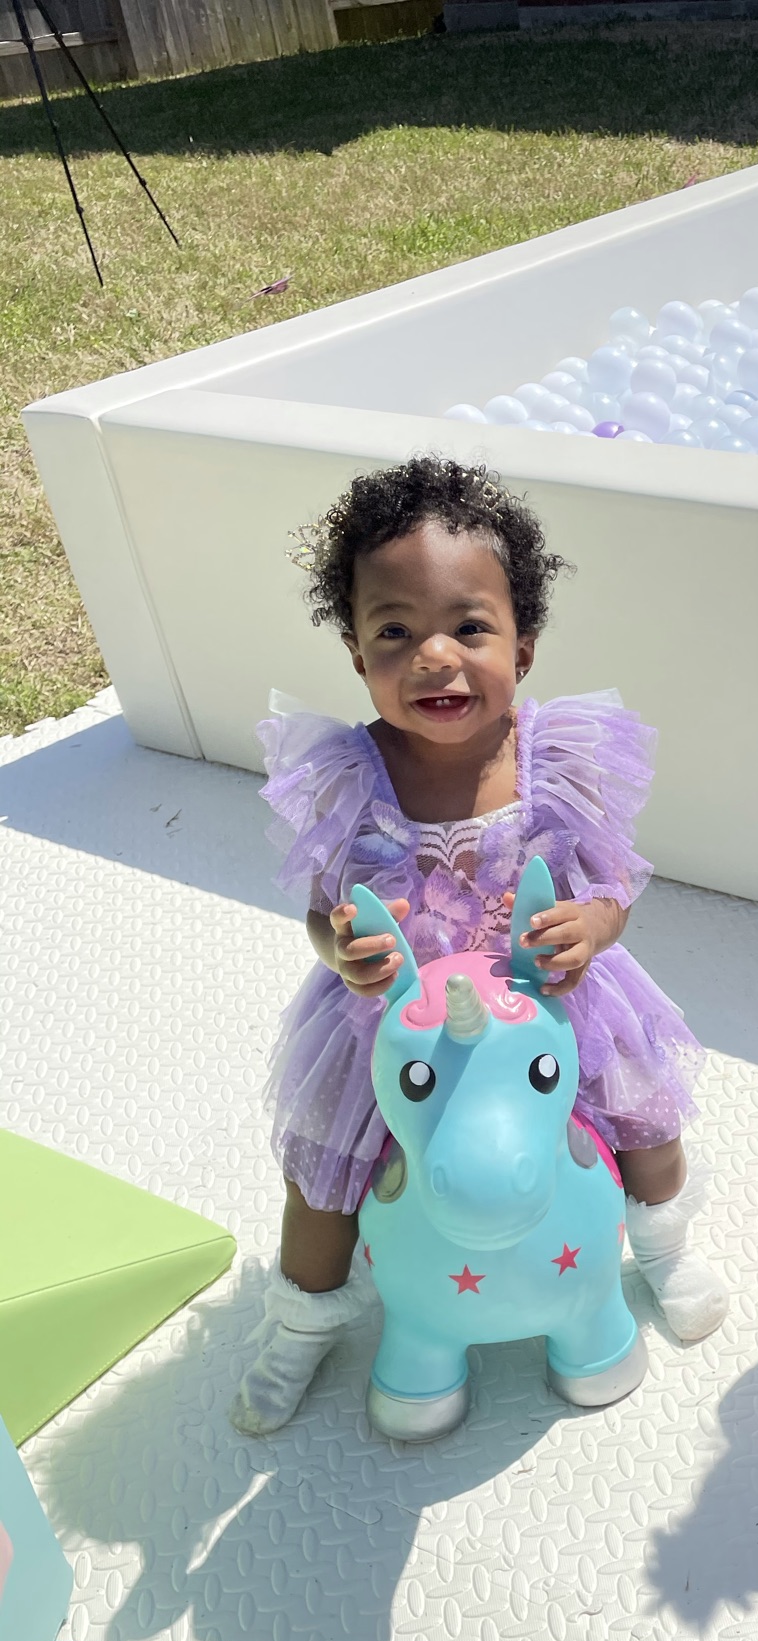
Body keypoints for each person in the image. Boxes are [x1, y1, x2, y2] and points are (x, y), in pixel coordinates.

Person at [232, 456, 727, 1435]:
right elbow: (326, 909)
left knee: (644, 1121)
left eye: (469, 627)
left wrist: (593, 927)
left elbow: (612, 881)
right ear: (356, 651)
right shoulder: (351, 773)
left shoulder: (556, 756)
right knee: (323, 1172)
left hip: (554, 1000)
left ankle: (663, 1249)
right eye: (395, 632)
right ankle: (300, 1320)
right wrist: (339, 950)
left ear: (525, 644)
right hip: (396, 1024)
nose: (434, 657)